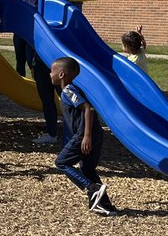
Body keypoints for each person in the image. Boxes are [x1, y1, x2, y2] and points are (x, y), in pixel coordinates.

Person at [50, 56, 118, 216]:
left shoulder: (68, 91)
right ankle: (106, 206)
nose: (49, 74)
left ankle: (91, 188)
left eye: (52, 71)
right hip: (95, 133)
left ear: (61, 75)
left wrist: (86, 136)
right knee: (87, 168)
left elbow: (88, 109)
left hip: (85, 135)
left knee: (61, 162)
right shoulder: (70, 90)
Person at [7, 0, 39, 76]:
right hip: (31, 20)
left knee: (20, 60)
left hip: (19, 21)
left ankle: (21, 80)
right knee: (31, 58)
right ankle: (36, 81)